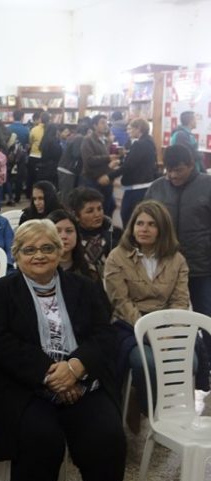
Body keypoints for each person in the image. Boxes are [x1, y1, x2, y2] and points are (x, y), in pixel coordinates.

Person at [0, 219, 125, 481]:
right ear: (16, 255)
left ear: (60, 251)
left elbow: (105, 334)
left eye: (47, 248)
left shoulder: (84, 286)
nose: (39, 255)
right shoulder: (2, 291)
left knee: (107, 437)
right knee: (40, 440)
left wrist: (76, 368)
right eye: (29, 250)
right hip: (26, 388)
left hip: (84, 383)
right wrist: (51, 373)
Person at [103, 200, 190, 421]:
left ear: (162, 228)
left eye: (151, 224)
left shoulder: (176, 259)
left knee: (192, 360)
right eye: (139, 223)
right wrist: (149, 331)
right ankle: (152, 411)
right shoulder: (117, 257)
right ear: (132, 227)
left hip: (167, 324)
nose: (144, 229)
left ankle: (165, 405)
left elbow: (181, 301)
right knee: (147, 362)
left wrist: (173, 330)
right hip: (128, 323)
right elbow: (121, 302)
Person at [145, 144, 211, 323]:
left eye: (179, 170)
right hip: (164, 265)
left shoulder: (207, 185)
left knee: (205, 314)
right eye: (169, 170)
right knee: (166, 316)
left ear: (191, 165)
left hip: (201, 265)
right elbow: (143, 219)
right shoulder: (157, 188)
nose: (173, 175)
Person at [111, 118, 158, 226]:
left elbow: (128, 166)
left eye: (131, 128)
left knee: (128, 219)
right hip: (144, 185)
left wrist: (109, 176)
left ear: (139, 128)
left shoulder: (140, 144)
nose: (128, 131)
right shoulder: (149, 141)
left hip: (136, 187)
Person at [66, 187, 113, 281]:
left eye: (100, 209)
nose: (97, 214)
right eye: (90, 211)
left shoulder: (113, 235)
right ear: (76, 216)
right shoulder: (71, 238)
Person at [80, 115, 120, 217]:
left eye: (106, 122)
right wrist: (108, 158)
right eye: (102, 122)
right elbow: (89, 160)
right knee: (94, 210)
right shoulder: (88, 140)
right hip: (92, 180)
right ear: (94, 125)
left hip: (106, 179)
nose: (105, 125)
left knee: (109, 207)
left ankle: (107, 230)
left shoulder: (105, 140)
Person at [47, 209, 97, 280]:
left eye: (69, 231)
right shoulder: (40, 269)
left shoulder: (89, 270)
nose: (64, 236)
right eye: (57, 231)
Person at [57, 122, 90, 201]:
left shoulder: (74, 137)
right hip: (68, 169)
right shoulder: (80, 138)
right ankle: (63, 212)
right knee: (66, 195)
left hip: (64, 167)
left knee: (64, 193)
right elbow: (76, 154)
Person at [26, 112, 48, 196]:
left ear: (40, 119)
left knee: (31, 176)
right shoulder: (50, 129)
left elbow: (30, 141)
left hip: (34, 154)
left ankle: (29, 194)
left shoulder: (34, 129)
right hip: (44, 156)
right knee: (41, 177)